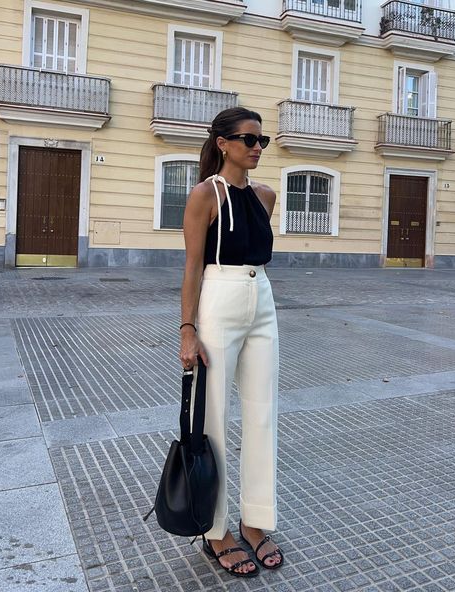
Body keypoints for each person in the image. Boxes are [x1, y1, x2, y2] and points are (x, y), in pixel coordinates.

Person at [179, 107, 283, 578]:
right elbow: (193, 267)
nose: (256, 147)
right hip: (218, 299)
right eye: (247, 139)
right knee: (214, 417)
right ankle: (216, 530)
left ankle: (256, 521)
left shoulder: (266, 195)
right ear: (223, 143)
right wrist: (187, 329)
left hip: (261, 296)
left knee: (263, 412)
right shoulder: (205, 195)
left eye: (261, 140)